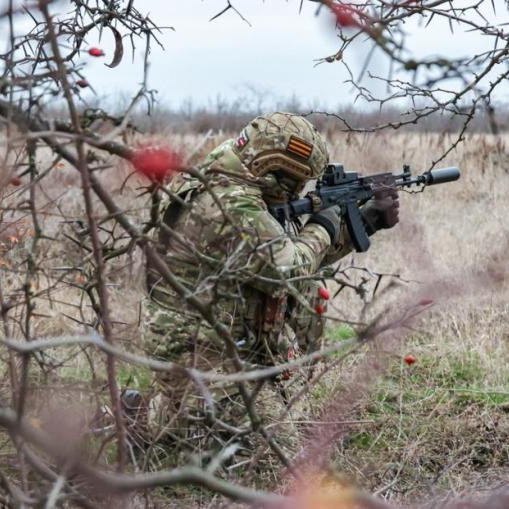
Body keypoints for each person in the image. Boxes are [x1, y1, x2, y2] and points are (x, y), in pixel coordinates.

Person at [138, 112, 399, 460]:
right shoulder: (231, 202)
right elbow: (288, 267)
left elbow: (288, 261)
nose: (300, 192)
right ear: (274, 169)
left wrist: (361, 224)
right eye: (297, 182)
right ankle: (158, 419)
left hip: (230, 348)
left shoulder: (244, 182)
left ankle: (171, 418)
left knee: (280, 437)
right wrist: (323, 225)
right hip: (200, 357)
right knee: (274, 460)